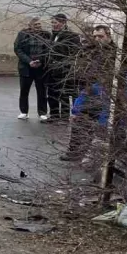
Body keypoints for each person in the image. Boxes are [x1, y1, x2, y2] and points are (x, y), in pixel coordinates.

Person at [62, 25, 115, 161]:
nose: (97, 39)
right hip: (88, 91)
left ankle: (96, 157)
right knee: (79, 121)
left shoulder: (115, 53)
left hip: (104, 94)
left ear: (108, 36)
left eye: (100, 36)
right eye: (95, 36)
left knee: (101, 127)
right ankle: (74, 152)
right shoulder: (91, 51)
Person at [45, 13, 82, 122]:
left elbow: (76, 52)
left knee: (63, 94)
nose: (53, 25)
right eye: (52, 23)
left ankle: (65, 117)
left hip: (63, 70)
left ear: (63, 23)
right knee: (51, 94)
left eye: (55, 23)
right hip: (51, 69)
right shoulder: (53, 35)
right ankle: (54, 115)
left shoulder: (72, 36)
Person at [14, 17, 49, 120]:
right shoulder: (22, 34)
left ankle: (42, 113)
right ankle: (24, 112)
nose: (38, 26)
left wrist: (41, 60)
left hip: (41, 67)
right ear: (29, 25)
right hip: (26, 67)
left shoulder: (46, 34)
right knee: (24, 90)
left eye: (39, 24)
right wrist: (29, 61)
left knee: (42, 91)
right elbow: (18, 49)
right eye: (36, 25)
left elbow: (49, 50)